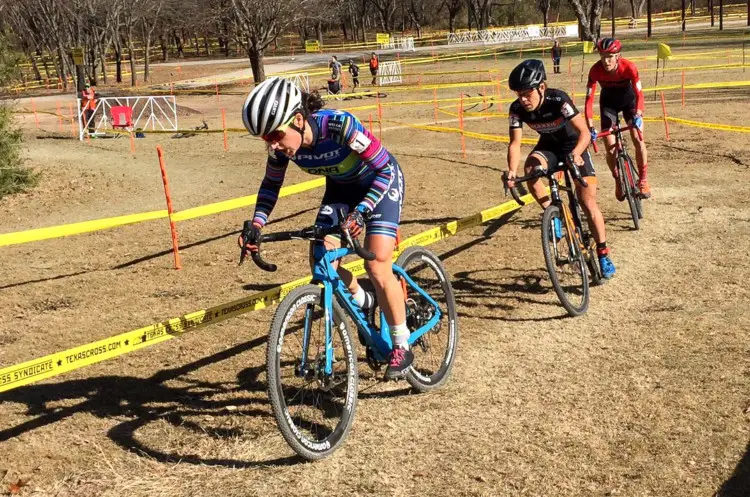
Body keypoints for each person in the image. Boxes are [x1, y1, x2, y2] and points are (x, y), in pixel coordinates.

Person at [238, 77, 412, 379]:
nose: (274, 145)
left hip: (379, 184)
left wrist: (362, 213)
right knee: (322, 260)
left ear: (298, 118)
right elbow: (271, 185)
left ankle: (401, 343)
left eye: (276, 135)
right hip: (341, 192)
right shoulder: (280, 148)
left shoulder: (338, 126)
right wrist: (256, 224)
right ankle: (364, 299)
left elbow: (384, 167)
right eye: (266, 140)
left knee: (378, 265)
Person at [505, 60, 616, 279]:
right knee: (530, 169)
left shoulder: (559, 99)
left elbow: (584, 132)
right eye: (519, 94)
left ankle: (603, 253)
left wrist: (576, 154)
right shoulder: (516, 109)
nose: (523, 99)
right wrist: (511, 171)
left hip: (575, 146)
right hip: (549, 147)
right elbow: (515, 144)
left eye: (527, 93)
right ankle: (553, 214)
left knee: (587, 201)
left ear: (542, 88)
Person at [585, 38, 651, 199]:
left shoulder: (629, 67)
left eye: (610, 56)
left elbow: (639, 93)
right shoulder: (595, 71)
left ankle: (643, 180)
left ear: (618, 56)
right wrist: (591, 126)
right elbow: (589, 100)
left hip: (629, 103)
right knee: (610, 147)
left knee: (637, 138)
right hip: (608, 105)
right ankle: (618, 180)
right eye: (602, 56)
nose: (606, 61)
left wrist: (639, 114)